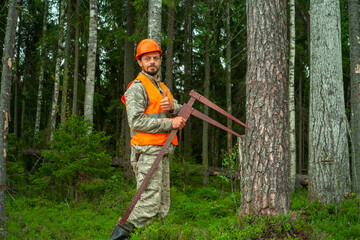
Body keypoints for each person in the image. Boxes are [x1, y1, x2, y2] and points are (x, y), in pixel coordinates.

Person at [110, 39, 186, 240]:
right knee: (147, 204)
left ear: (160, 60)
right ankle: (117, 237)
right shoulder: (137, 87)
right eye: (147, 59)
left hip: (162, 152)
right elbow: (136, 122)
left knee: (162, 205)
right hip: (146, 152)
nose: (152, 62)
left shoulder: (162, 88)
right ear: (140, 62)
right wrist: (171, 124)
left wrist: (173, 108)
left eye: (155, 58)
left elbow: (179, 109)